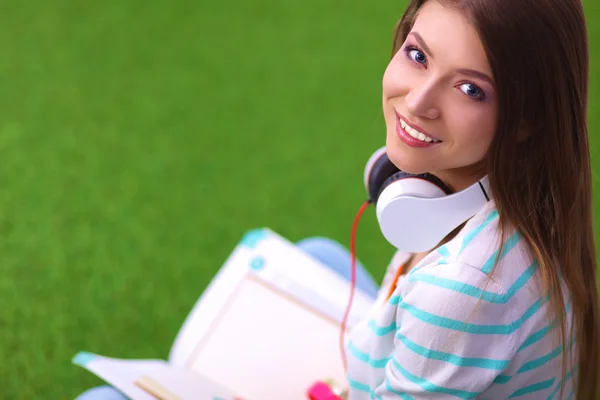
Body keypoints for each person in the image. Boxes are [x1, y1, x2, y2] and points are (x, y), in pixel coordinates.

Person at [76, 0, 600, 398]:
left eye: (469, 90)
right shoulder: (523, 203)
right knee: (320, 254)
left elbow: (455, 302)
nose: (417, 102)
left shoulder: (462, 292)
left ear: (528, 119)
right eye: (417, 56)